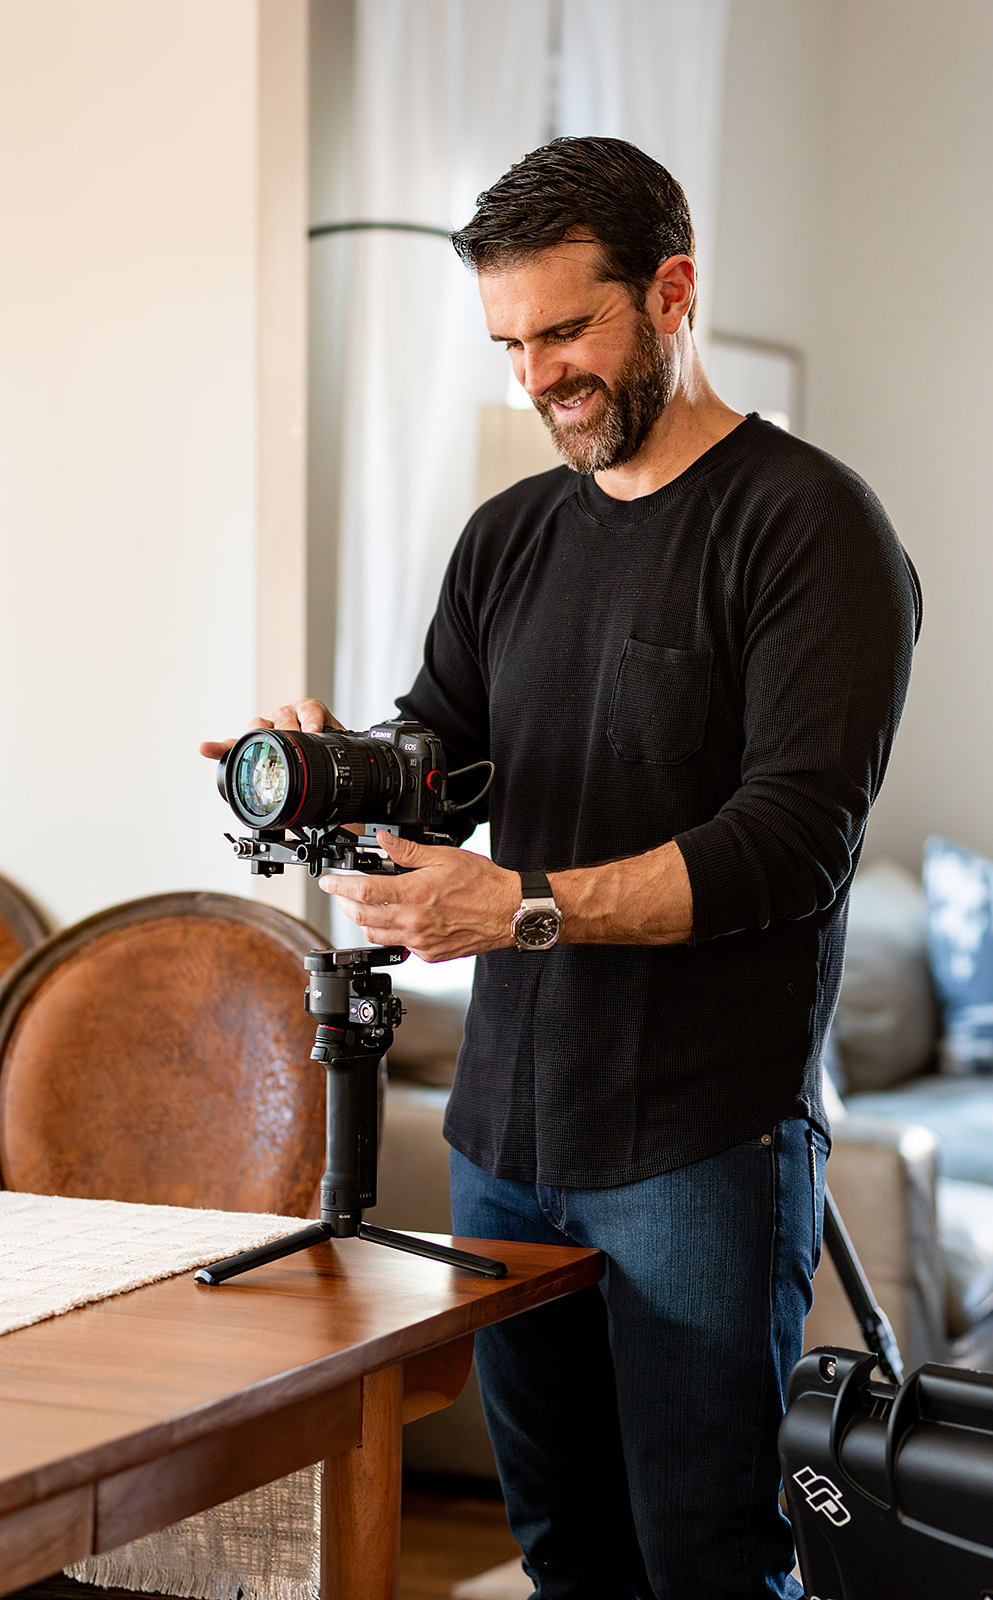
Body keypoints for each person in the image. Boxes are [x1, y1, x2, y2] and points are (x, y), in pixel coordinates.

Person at [203, 137, 921, 1600]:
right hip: (506, 1142)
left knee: (708, 1559)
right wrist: (341, 765)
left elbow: (792, 847)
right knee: (565, 1554)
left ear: (672, 292)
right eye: (507, 344)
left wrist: (525, 906)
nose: (534, 379)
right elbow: (448, 755)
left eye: (564, 332)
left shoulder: (810, 528)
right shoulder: (509, 536)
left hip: (702, 1147)